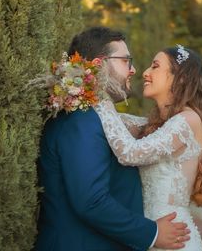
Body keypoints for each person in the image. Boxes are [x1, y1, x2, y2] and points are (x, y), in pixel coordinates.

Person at [35, 27, 190, 251]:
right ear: (99, 65)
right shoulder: (81, 120)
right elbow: (91, 201)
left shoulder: (98, 117)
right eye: (126, 61)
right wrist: (152, 233)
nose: (134, 70)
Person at [94, 45, 202, 251]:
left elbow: (130, 153)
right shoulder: (159, 125)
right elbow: (115, 123)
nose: (145, 72)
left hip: (173, 241)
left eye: (155, 66)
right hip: (150, 236)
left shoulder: (188, 120)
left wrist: (101, 97)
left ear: (180, 78)